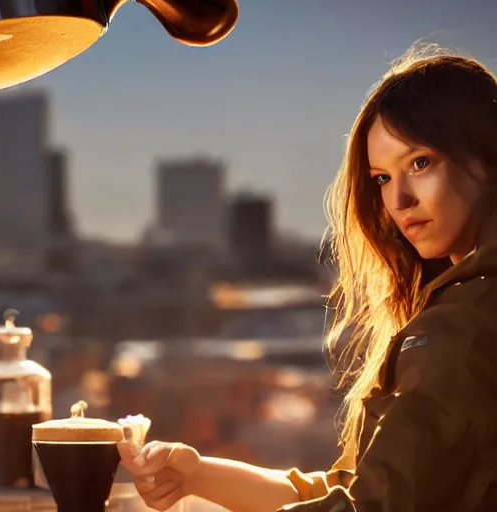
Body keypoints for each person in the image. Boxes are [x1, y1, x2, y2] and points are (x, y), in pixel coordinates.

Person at [118, 43, 497, 511]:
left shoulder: (466, 326)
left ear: (485, 156)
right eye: (382, 178)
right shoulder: (455, 308)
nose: (399, 200)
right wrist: (198, 474)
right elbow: (354, 491)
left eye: (420, 163)